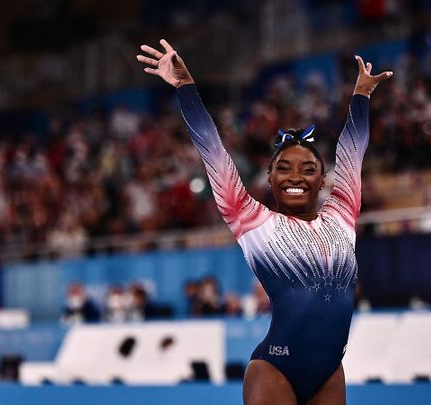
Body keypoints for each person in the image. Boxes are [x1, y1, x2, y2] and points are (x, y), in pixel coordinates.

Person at [137, 39, 392, 404]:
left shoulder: (343, 212)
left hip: (330, 372)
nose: (295, 177)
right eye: (283, 169)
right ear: (269, 178)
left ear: (322, 180)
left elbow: (354, 149)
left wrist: (361, 98)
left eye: (308, 169)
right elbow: (212, 149)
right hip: (274, 369)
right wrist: (185, 88)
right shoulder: (251, 219)